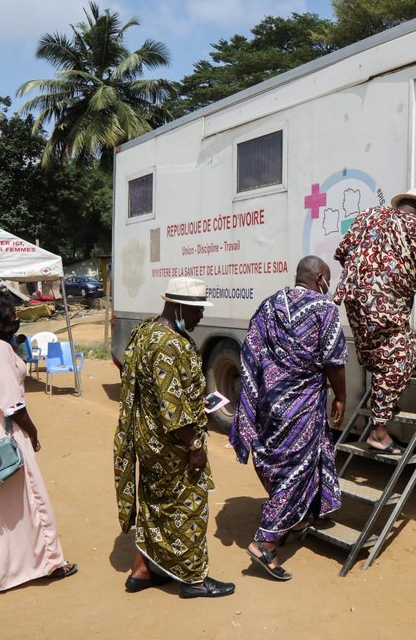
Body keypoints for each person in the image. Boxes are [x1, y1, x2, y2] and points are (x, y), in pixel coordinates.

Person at [113, 277, 235, 599]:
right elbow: (174, 412)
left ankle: (142, 570)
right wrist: (195, 447)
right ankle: (193, 580)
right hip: (172, 446)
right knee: (190, 506)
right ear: (179, 306)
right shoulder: (171, 344)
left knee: (155, 504)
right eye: (196, 311)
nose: (200, 318)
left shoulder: (147, 332)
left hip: (147, 441)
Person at [231, 256, 348, 580]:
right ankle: (265, 543)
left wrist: (254, 397)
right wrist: (341, 397)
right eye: (328, 279)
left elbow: (251, 352)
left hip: (270, 405)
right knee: (296, 472)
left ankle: (295, 517)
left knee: (279, 466)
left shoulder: (269, 306)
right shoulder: (325, 310)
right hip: (301, 409)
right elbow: (334, 361)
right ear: (321, 277)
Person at [0, 289, 77, 598]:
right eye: (9, 314)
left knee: (1, 513)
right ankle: (49, 563)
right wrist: (33, 432)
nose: (15, 318)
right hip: (6, 437)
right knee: (31, 498)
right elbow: (11, 404)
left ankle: (4, 572)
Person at [333, 188, 416, 454]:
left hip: (353, 296)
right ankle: (379, 432)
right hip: (385, 304)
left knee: (380, 357)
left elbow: (342, 252)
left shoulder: (366, 216)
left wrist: (366, 273)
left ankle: (384, 403)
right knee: (400, 359)